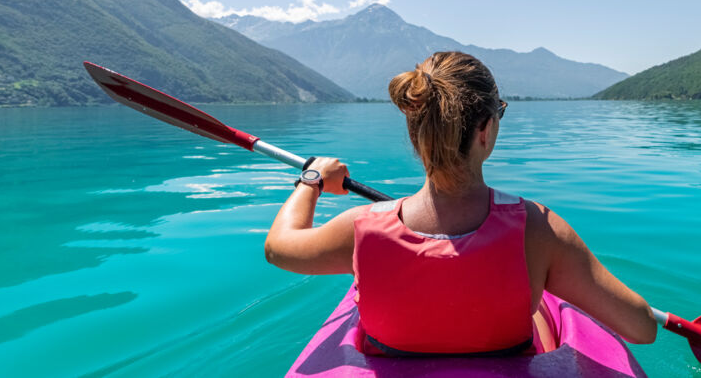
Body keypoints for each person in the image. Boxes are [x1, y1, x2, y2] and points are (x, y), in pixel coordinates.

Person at [265, 51, 657, 356]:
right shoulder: (539, 230)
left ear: (414, 131)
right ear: (485, 130)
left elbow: (279, 249)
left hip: (392, 357)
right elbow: (642, 328)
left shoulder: (360, 228)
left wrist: (311, 180)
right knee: (539, 309)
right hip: (506, 359)